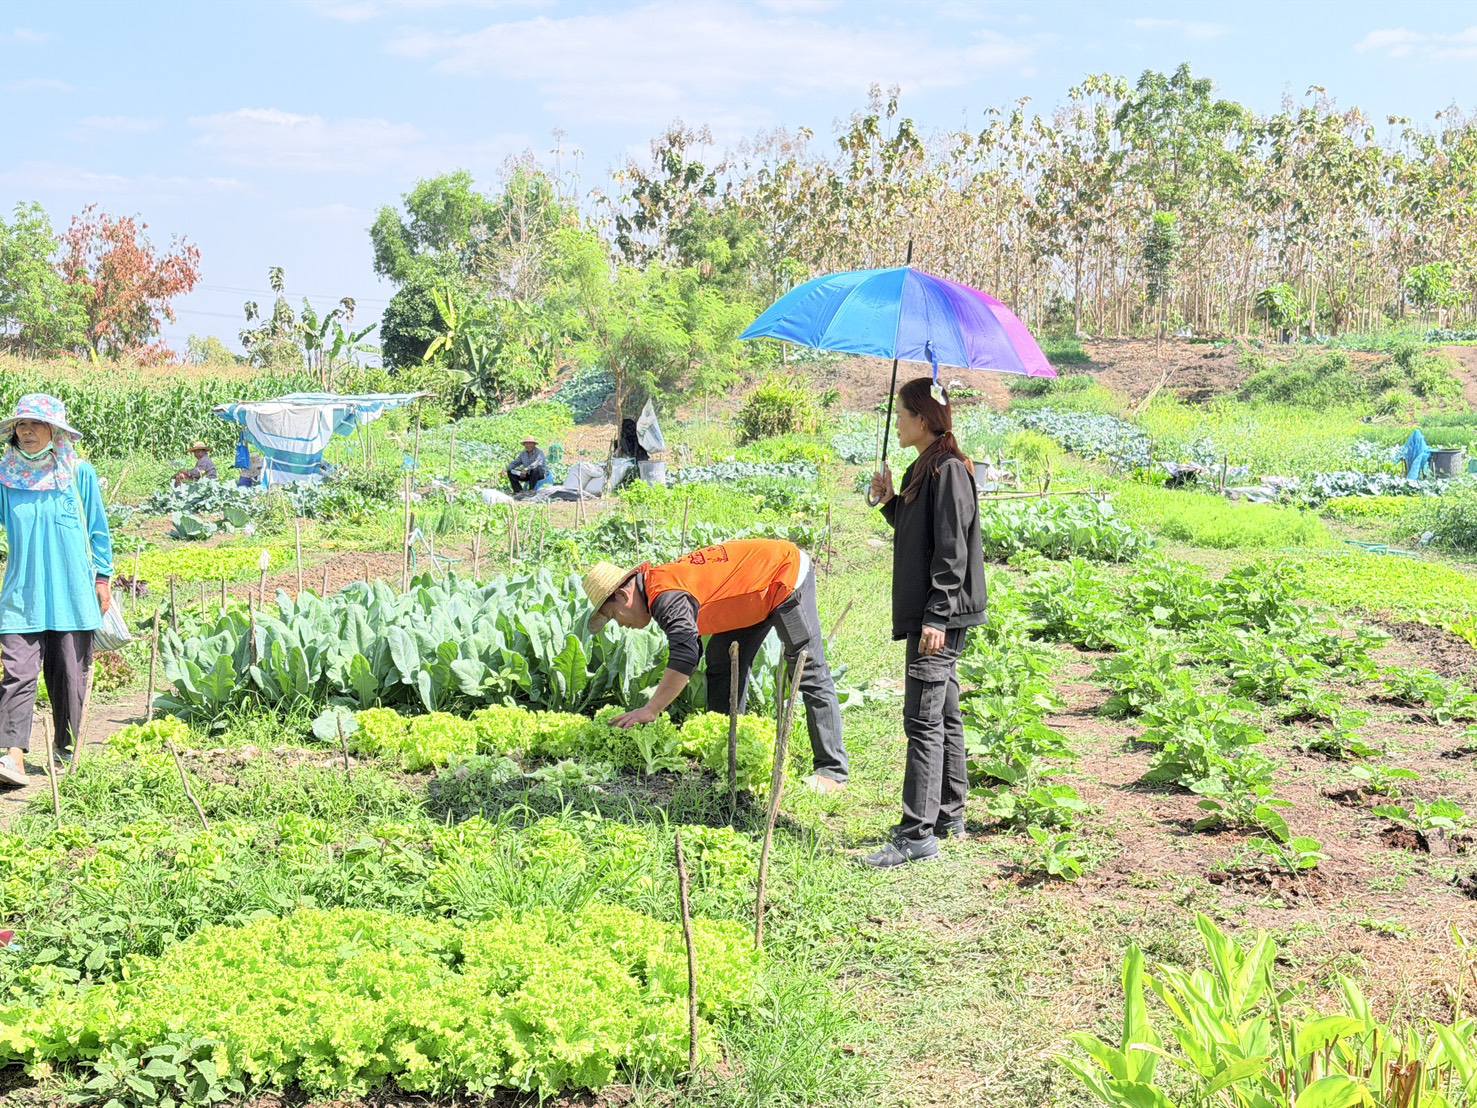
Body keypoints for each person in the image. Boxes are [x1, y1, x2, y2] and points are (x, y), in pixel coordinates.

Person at [583, 537, 847, 793]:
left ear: (623, 594)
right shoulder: (660, 586)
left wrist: (652, 709)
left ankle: (832, 772)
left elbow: (685, 655)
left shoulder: (664, 594)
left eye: (613, 615)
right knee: (722, 663)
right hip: (749, 592)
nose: (620, 624)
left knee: (807, 666)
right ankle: (728, 754)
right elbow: (692, 648)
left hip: (782, 574)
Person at [861, 377, 986, 867]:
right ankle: (949, 814)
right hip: (934, 610)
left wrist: (937, 614)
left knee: (922, 718)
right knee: (945, 712)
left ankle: (917, 834)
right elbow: (921, 535)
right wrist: (891, 502)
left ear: (922, 418)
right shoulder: (924, 467)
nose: (897, 423)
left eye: (901, 414)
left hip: (941, 613)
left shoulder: (950, 470)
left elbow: (952, 551)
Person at [0, 395, 114, 787]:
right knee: (17, 672)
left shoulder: (78, 473)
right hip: (22, 594)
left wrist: (103, 578)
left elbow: (99, 531)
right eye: (21, 425)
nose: (26, 432)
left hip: (71, 592)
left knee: (69, 674)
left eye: (35, 424)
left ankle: (67, 750)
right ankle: (12, 756)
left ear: (56, 432)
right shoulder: (4, 478)